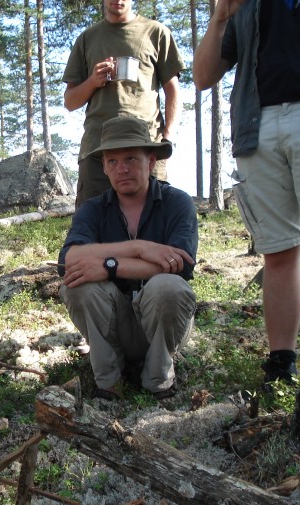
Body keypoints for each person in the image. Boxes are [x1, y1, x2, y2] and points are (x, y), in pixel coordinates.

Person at [193, 0, 300, 386]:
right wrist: (221, 16)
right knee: (278, 250)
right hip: (255, 125)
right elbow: (203, 75)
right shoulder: (242, 5)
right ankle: (282, 364)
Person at [58, 116, 198, 400]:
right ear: (105, 168)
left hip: (162, 325)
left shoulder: (177, 203)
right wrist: (140, 249)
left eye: (131, 158)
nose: (122, 169)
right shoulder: (93, 209)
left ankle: (158, 379)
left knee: (168, 286)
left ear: (151, 161)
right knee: (78, 284)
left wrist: (109, 266)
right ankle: (109, 381)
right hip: (114, 324)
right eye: (112, 161)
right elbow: (69, 258)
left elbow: (178, 264)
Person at [63, 0, 186, 208]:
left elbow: (173, 91)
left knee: (153, 224)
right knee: (92, 227)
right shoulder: (87, 38)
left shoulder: (156, 32)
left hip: (146, 146)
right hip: (98, 150)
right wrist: (93, 81)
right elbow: (70, 101)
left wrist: (167, 136)